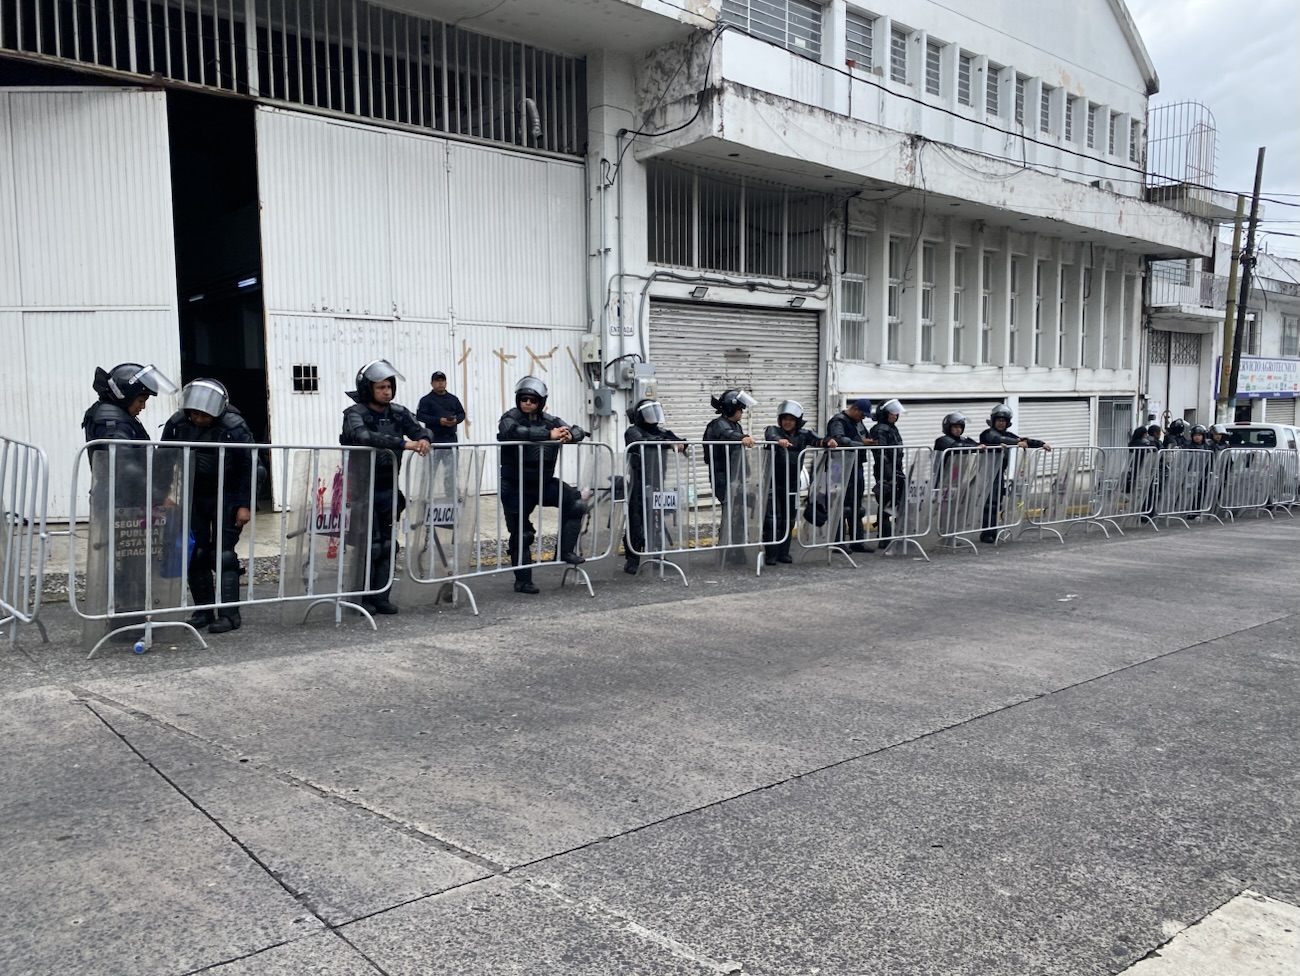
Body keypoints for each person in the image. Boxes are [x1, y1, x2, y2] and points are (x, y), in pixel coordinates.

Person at [81, 363, 179, 639]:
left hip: (126, 501)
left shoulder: (113, 414)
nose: (143, 406)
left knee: (132, 562)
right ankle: (126, 625)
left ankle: (130, 621)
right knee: (129, 565)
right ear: (126, 395)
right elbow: (125, 466)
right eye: (141, 399)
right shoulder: (112, 419)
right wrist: (160, 496)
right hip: (124, 503)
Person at [161, 379, 255, 634]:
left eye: (204, 414)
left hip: (229, 494)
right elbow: (164, 458)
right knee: (197, 553)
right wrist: (163, 493)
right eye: (194, 413)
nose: (198, 418)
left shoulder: (235, 426)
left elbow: (249, 466)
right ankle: (203, 610)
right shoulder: (177, 424)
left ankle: (229, 615)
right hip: (195, 494)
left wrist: (244, 505)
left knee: (222, 554)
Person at [339, 359, 431, 615]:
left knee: (389, 546)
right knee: (370, 545)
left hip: (389, 490)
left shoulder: (398, 412)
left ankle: (381, 597)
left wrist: (423, 438)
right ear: (369, 389)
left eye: (389, 386)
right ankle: (362, 598)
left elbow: (421, 431)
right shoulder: (354, 413)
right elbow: (362, 437)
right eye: (381, 387)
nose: (387, 391)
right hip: (361, 491)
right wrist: (403, 444)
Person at [498, 375, 589, 594]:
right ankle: (522, 581)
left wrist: (569, 434)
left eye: (533, 400)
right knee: (522, 534)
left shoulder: (551, 420)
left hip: (543, 483)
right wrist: (548, 435)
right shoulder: (510, 418)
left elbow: (579, 430)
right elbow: (511, 432)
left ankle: (564, 551)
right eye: (524, 399)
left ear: (541, 402)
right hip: (515, 486)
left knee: (576, 503)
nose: (528, 403)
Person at [623, 398, 685, 574]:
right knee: (637, 520)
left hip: (657, 481)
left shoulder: (660, 431)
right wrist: (668, 443)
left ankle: (658, 556)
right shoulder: (633, 431)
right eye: (650, 413)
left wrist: (679, 443)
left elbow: (679, 441)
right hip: (638, 481)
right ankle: (632, 560)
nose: (654, 417)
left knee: (656, 518)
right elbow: (645, 442)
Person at [762, 400, 826, 564]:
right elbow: (771, 436)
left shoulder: (803, 434)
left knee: (788, 519)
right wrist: (779, 441)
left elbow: (818, 440)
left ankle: (783, 553)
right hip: (772, 483)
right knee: (772, 519)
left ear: (797, 421)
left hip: (791, 484)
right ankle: (771, 555)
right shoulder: (773, 430)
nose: (787, 422)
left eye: (791, 419)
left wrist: (829, 442)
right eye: (784, 418)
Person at [977, 404, 1050, 544]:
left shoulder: (1008, 435)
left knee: (996, 503)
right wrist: (1016, 442)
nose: (1001, 423)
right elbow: (996, 439)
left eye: (1003, 421)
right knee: (988, 504)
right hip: (985, 473)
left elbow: (1023, 440)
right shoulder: (986, 433)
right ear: (993, 420)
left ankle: (993, 532)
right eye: (998, 420)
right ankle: (986, 533)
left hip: (998, 474)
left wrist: (1042, 444)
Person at [704, 389, 757, 564]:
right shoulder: (718, 424)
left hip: (736, 475)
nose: (742, 412)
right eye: (740, 409)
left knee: (739, 512)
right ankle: (726, 549)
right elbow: (727, 435)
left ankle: (736, 549)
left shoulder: (737, 426)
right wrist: (742, 437)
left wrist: (746, 472)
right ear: (731, 408)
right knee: (731, 511)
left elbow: (738, 451)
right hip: (722, 475)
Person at [825, 398, 876, 553]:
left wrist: (870, 441)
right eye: (862, 414)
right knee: (842, 505)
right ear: (855, 409)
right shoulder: (838, 421)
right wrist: (862, 444)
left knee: (856, 506)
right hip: (841, 467)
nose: (863, 418)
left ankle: (857, 540)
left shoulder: (858, 422)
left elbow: (864, 437)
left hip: (856, 465)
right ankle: (838, 541)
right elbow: (839, 439)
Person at [415, 370, 466, 499]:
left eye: (442, 380)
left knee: (451, 473)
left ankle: (452, 498)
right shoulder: (426, 400)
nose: (440, 383)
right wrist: (439, 421)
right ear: (432, 383)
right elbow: (420, 416)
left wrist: (455, 420)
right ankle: (426, 499)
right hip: (434, 441)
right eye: (437, 381)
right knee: (430, 472)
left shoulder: (453, 399)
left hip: (451, 440)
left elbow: (461, 414)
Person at [868, 398, 907, 546]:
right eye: (892, 412)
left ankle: (891, 535)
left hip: (895, 470)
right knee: (886, 504)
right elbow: (881, 454)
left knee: (894, 503)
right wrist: (889, 476)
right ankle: (884, 538)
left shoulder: (891, 428)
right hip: (886, 473)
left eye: (897, 413)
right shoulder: (880, 429)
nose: (895, 415)